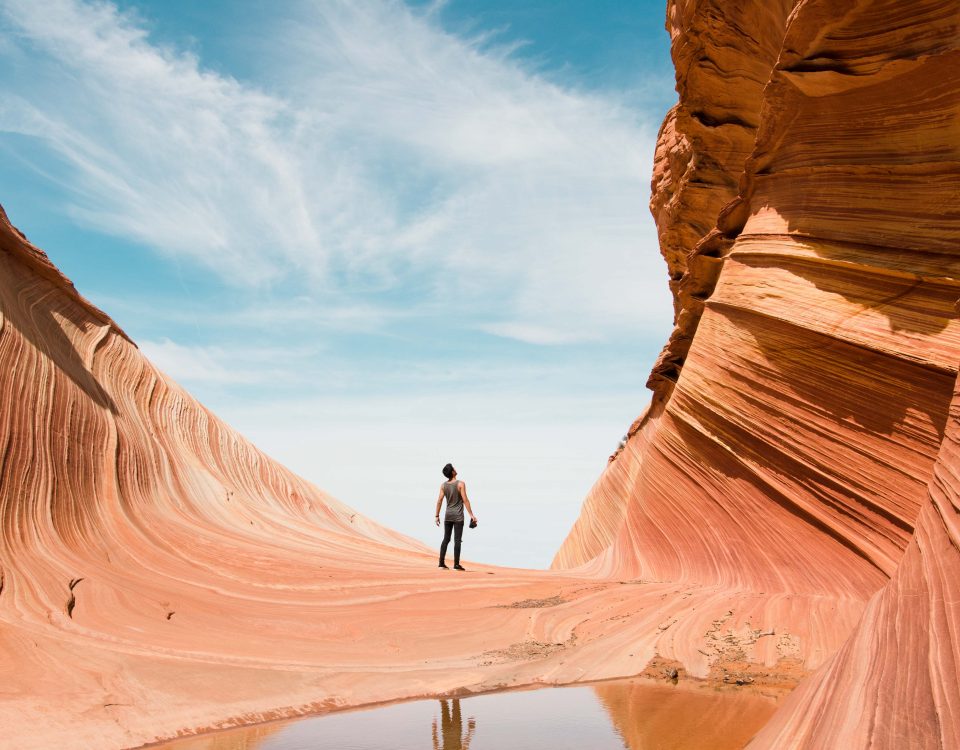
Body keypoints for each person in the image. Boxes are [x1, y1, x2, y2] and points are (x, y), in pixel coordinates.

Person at [434, 463, 477, 570]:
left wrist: (437, 515)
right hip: (458, 517)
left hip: (448, 516)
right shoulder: (460, 484)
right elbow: (465, 500)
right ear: (452, 472)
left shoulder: (443, 485)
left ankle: (441, 563)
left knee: (446, 539)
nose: (455, 469)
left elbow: (439, 501)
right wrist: (472, 515)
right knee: (457, 540)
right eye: (454, 468)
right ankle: (456, 565)